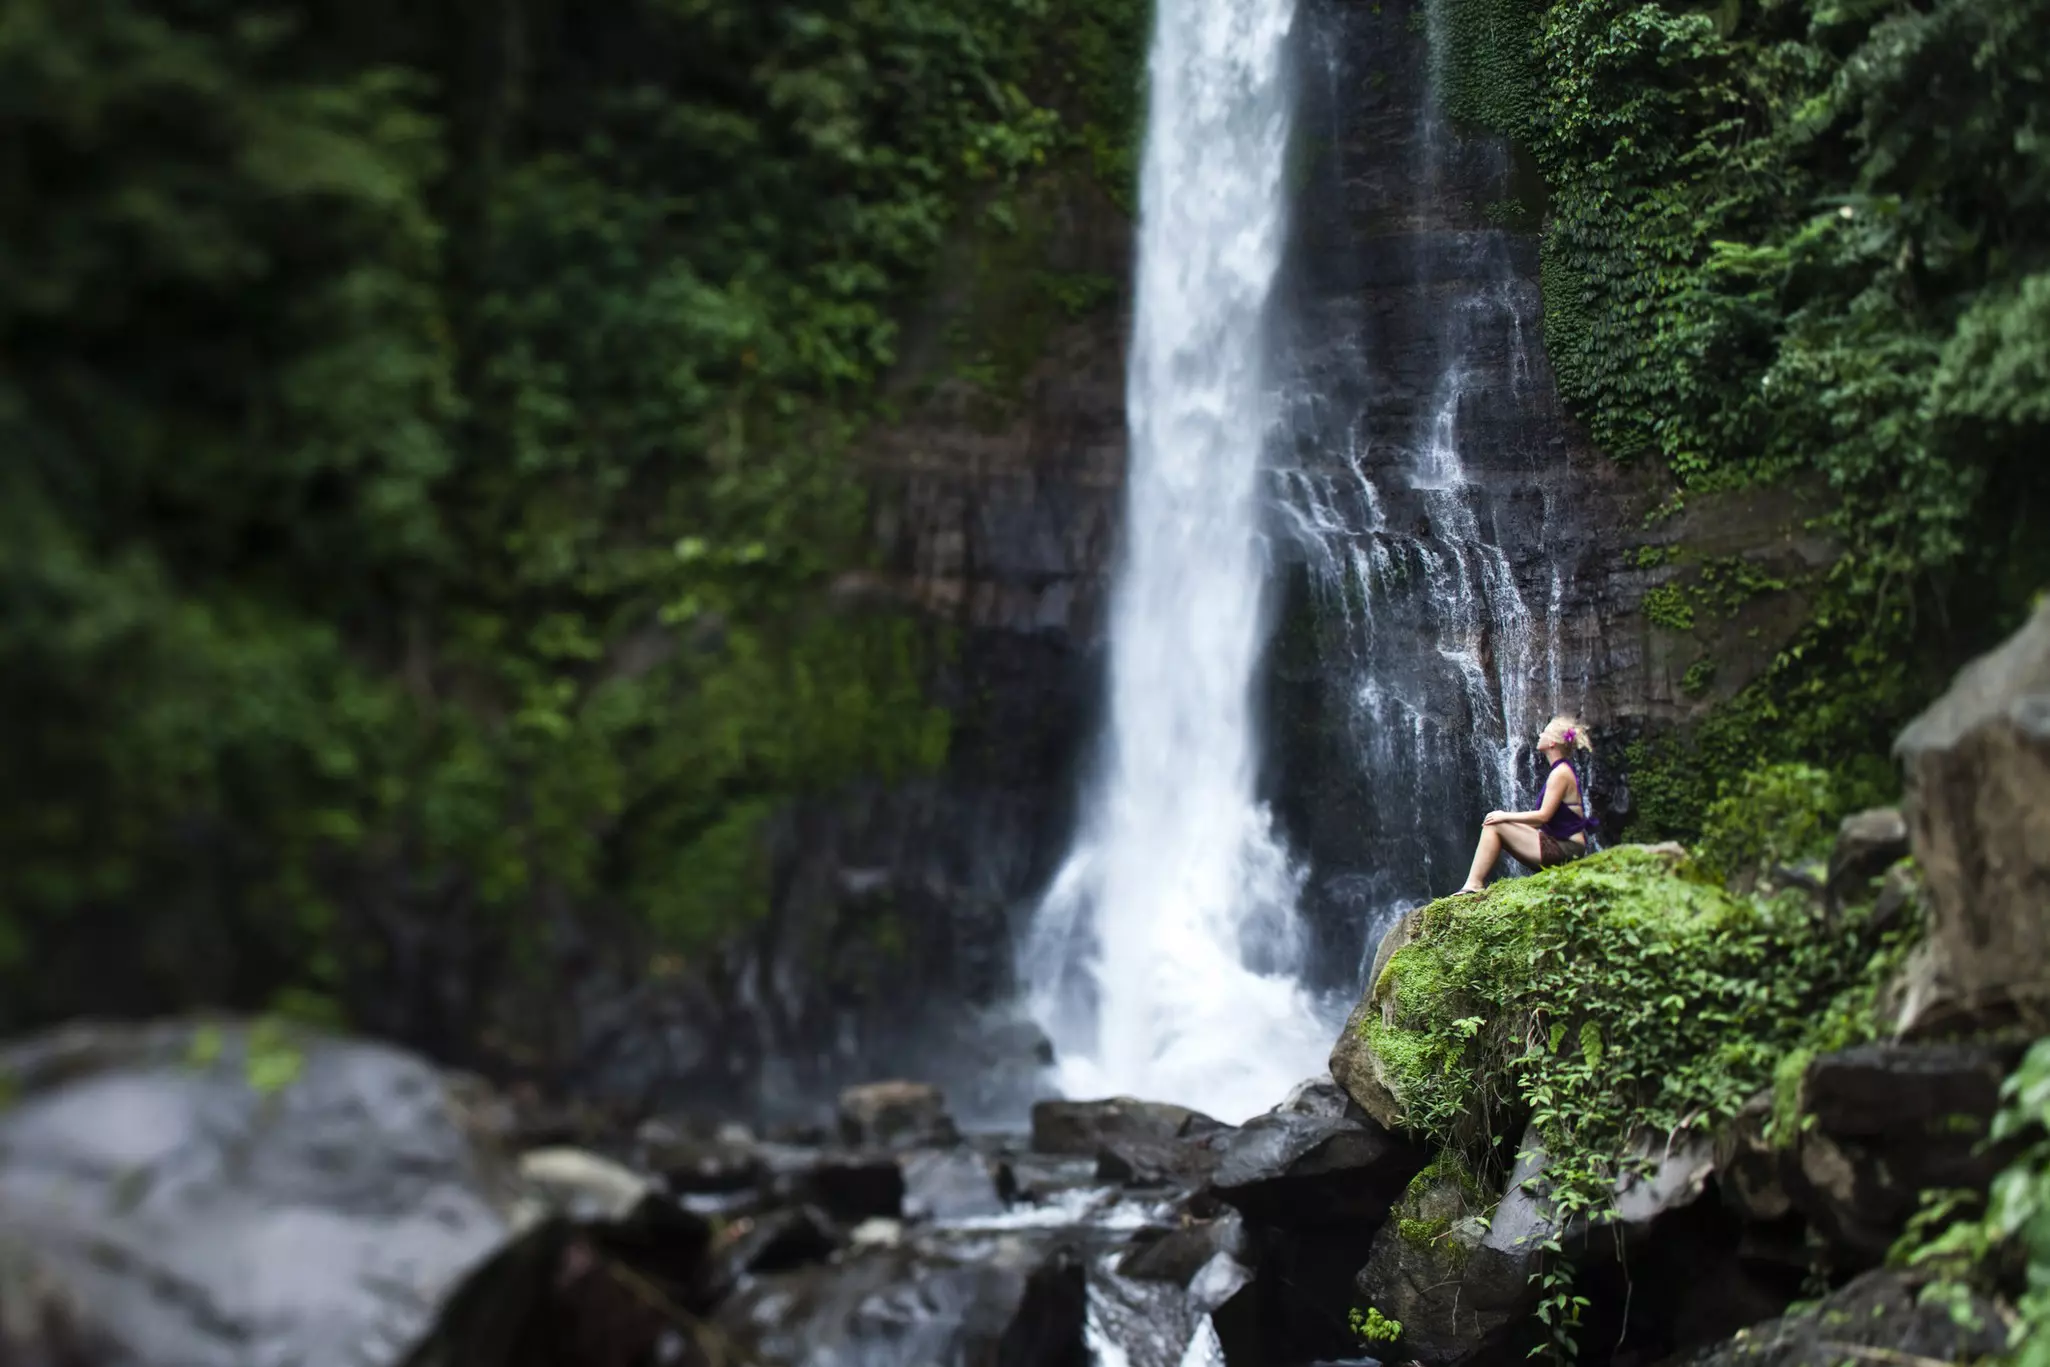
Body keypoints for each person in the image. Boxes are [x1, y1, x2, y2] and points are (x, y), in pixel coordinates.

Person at [1453, 715, 1597, 895]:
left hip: (1565, 849)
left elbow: (1542, 817)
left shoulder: (1560, 773)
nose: (1539, 734)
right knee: (1497, 823)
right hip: (1562, 844)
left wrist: (1504, 815)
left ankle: (1474, 884)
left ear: (1552, 742)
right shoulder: (1561, 771)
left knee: (1494, 824)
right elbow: (1540, 822)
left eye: (1544, 732)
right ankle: (1473, 883)